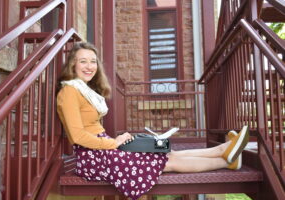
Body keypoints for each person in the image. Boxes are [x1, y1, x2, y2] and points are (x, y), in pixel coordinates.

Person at [57, 42, 249, 200]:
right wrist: (112, 143)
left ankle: (222, 150)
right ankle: (225, 161)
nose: (89, 66)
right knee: (167, 161)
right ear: (73, 65)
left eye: (93, 61)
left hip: (102, 150)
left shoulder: (84, 91)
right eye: (83, 61)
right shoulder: (69, 91)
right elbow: (78, 136)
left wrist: (117, 140)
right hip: (92, 158)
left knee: (166, 152)